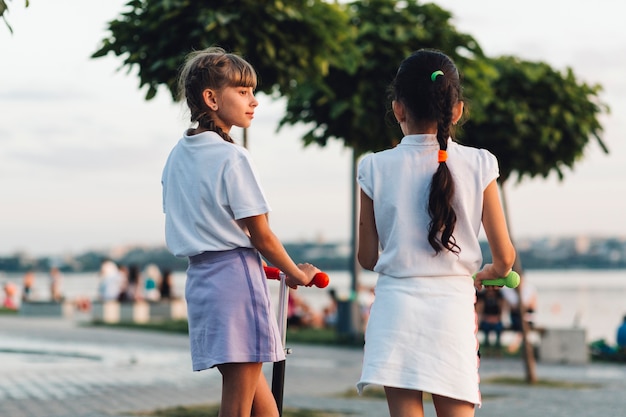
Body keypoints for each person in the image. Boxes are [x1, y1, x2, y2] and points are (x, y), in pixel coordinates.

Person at [161, 46, 321, 417]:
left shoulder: (177, 155)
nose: (254, 101)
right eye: (243, 91)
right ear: (211, 98)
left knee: (264, 409)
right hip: (235, 280)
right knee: (236, 407)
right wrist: (297, 273)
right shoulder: (232, 157)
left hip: (201, 283)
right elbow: (261, 235)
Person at [355, 49, 516, 417]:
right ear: (456, 110)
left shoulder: (374, 167)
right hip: (451, 311)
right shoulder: (480, 163)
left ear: (398, 109)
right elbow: (505, 258)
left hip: (395, 311)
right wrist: (487, 274)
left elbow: (367, 258)